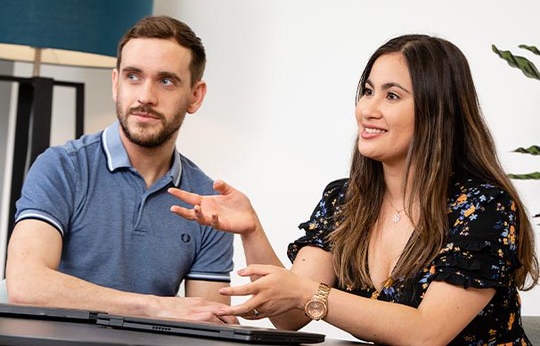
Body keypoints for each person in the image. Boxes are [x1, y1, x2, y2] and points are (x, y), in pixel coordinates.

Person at [168, 34, 540, 344]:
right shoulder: (345, 199)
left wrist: (309, 294)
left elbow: (427, 334)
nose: (368, 109)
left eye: (391, 96)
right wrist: (252, 231)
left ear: (436, 112)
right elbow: (292, 316)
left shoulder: (484, 206)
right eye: (367, 91)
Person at [6, 15, 236, 324]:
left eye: (166, 80)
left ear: (195, 96)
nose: (145, 97)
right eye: (133, 76)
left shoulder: (207, 201)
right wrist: (154, 307)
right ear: (116, 83)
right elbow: (26, 283)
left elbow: (209, 318)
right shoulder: (62, 168)